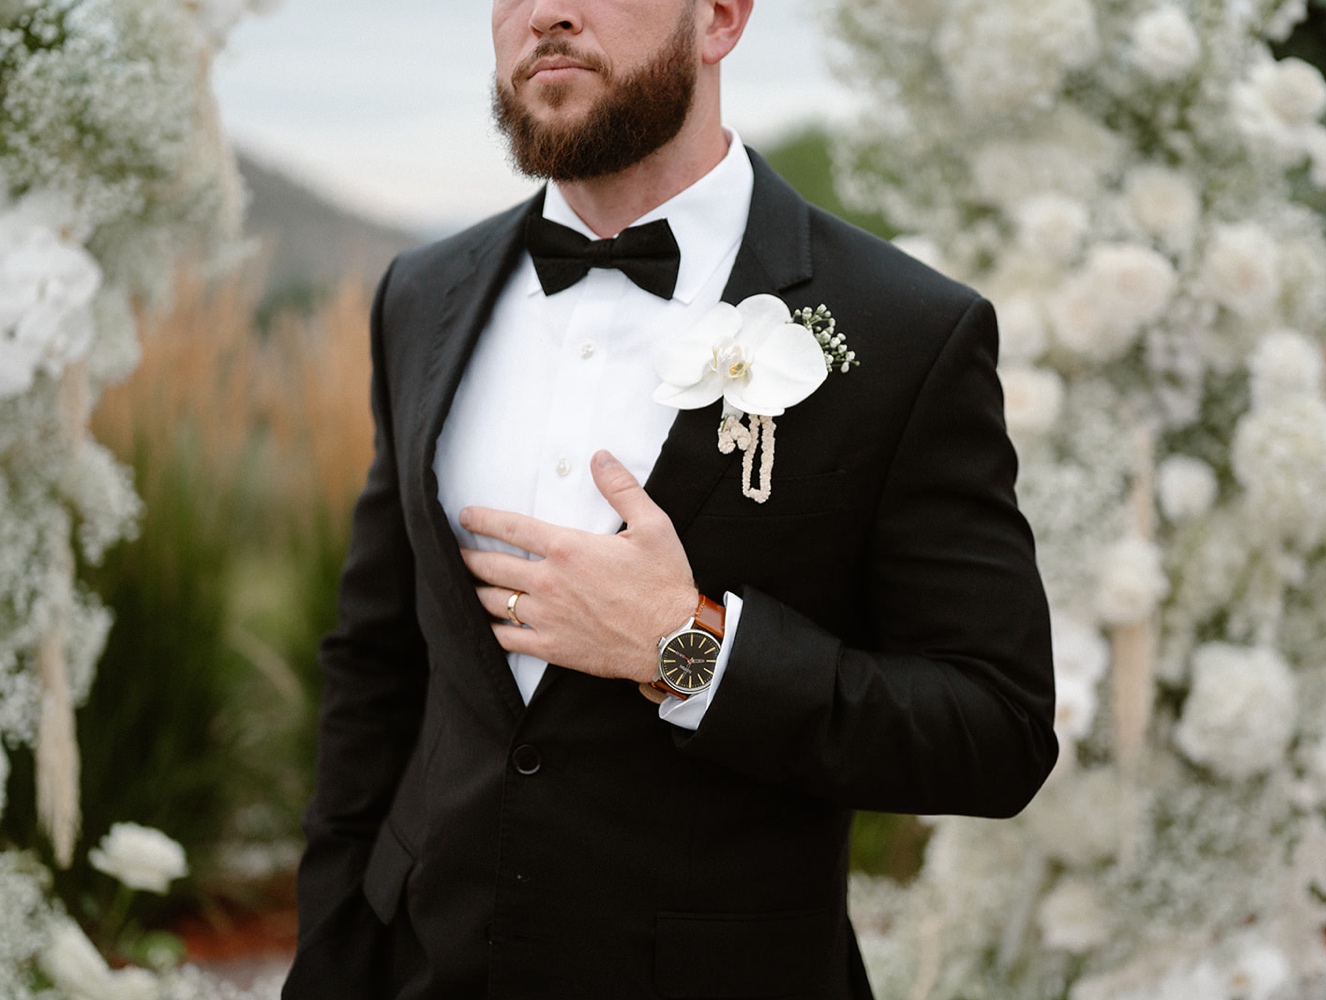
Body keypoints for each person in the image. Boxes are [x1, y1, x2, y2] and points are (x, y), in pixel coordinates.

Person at [283, 1, 1057, 997]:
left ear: (722, 19)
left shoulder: (904, 331)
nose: (547, 14)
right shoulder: (421, 291)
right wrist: (332, 955)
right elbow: (376, 666)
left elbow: (995, 730)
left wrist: (687, 646)